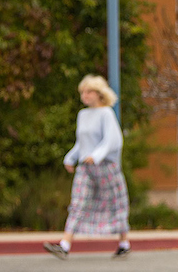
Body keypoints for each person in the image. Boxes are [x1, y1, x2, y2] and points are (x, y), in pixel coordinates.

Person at [43, 75, 131, 260]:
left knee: (116, 203)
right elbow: (82, 143)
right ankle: (65, 245)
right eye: (82, 92)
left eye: (88, 91)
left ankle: (124, 242)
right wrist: (71, 157)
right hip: (86, 168)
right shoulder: (82, 115)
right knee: (78, 203)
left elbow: (113, 140)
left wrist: (97, 155)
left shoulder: (106, 113)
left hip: (106, 166)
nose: (85, 95)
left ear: (99, 94)